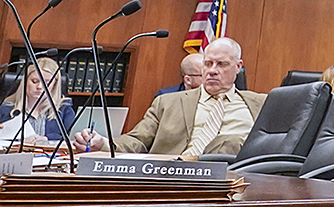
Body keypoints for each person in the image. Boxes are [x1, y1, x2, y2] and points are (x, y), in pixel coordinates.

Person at [83, 37, 262, 158]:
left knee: (232, 142)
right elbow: (138, 140)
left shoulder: (262, 104)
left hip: (234, 180)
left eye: (222, 64)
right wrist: (104, 144)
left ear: (238, 66)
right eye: (208, 63)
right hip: (173, 176)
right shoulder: (168, 102)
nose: (213, 70)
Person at [0, 54, 80, 150]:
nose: (40, 87)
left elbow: (72, 139)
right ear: (25, 82)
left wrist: (47, 139)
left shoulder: (64, 109)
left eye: (47, 83)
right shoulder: (4, 108)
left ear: (54, 86)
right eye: (34, 81)